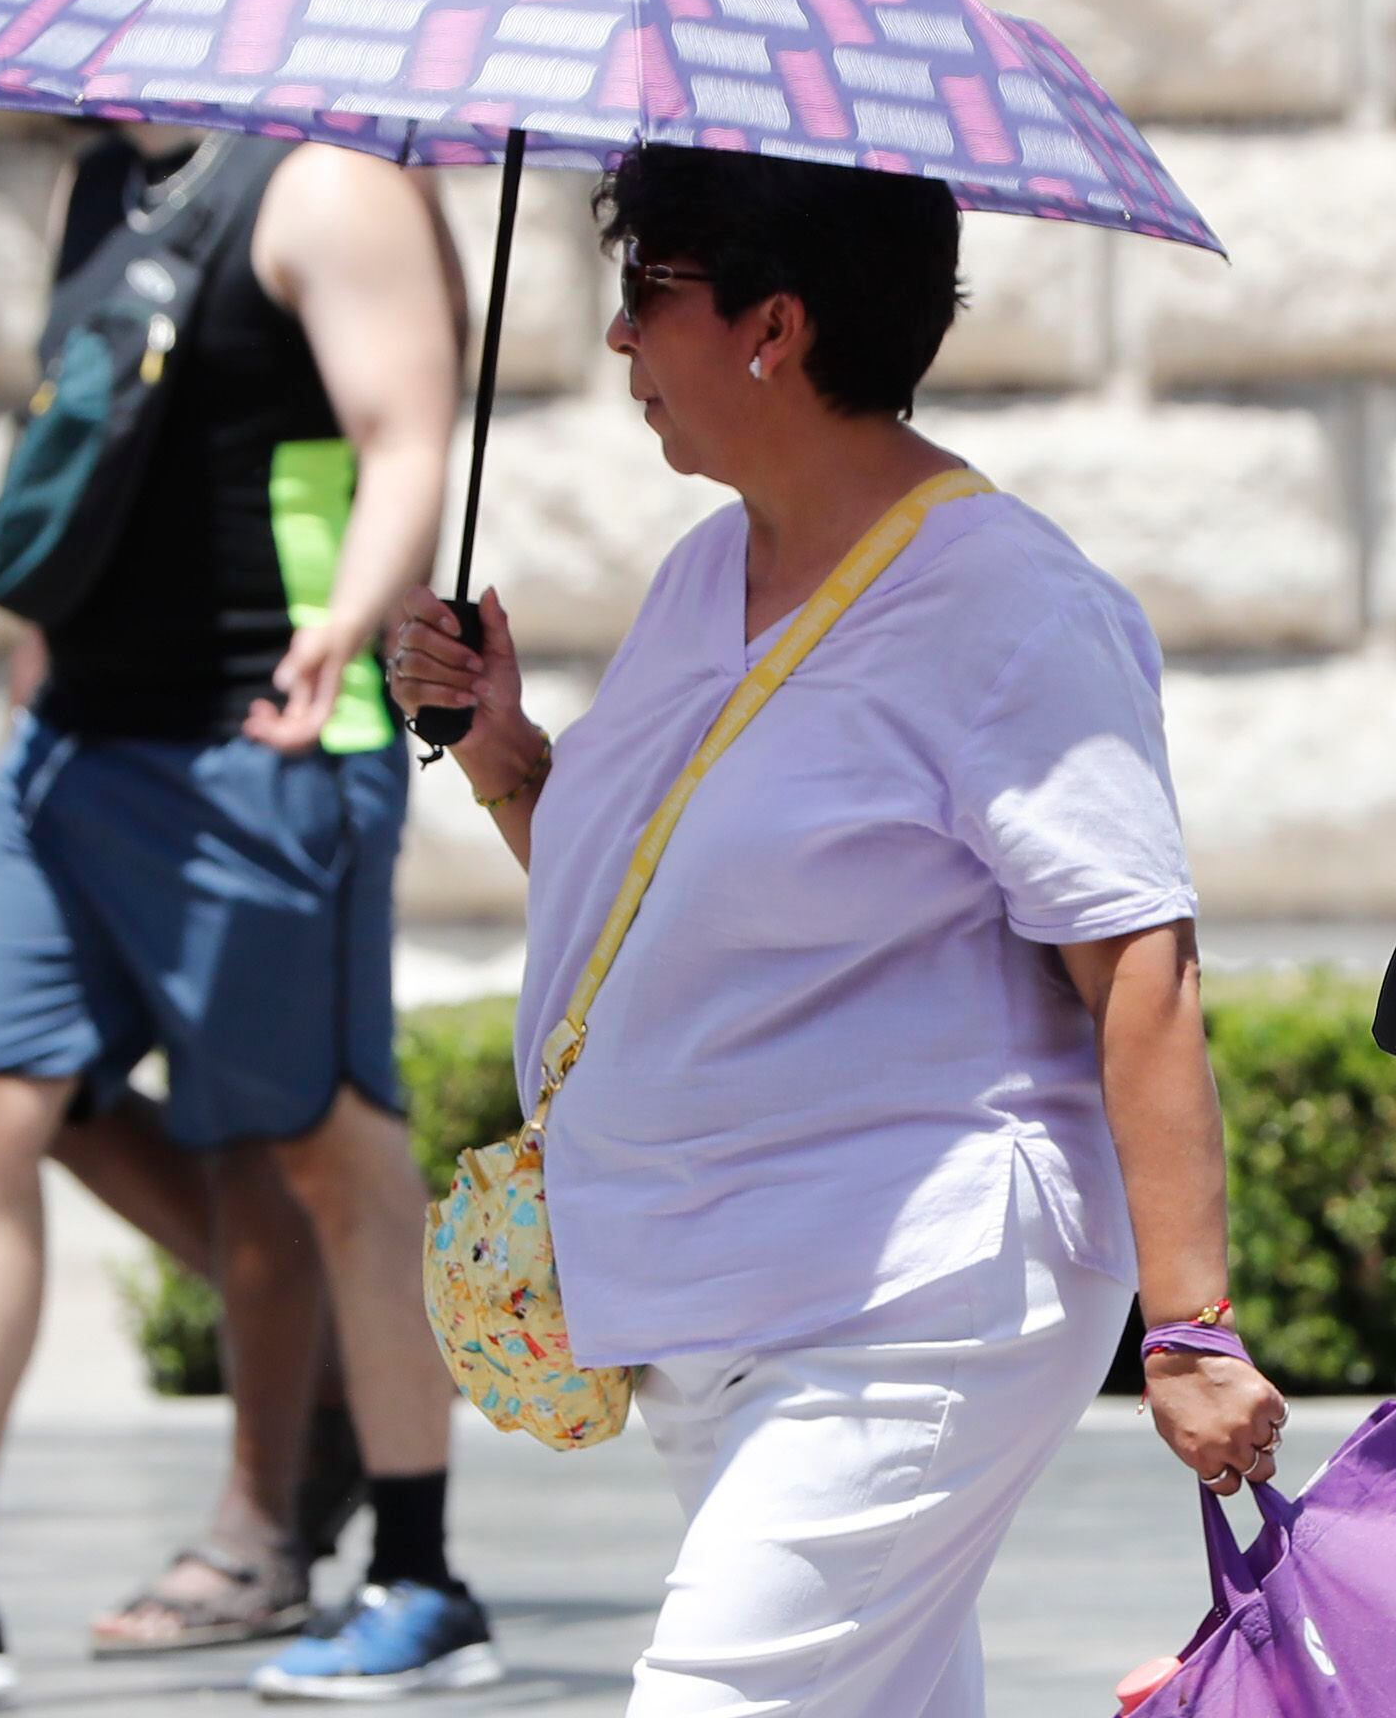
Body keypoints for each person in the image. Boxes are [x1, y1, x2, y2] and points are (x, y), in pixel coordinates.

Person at [385, 145, 1286, 1718]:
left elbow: (1139, 963)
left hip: (910, 1304)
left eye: (642, 294)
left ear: (772, 326)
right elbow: (643, 902)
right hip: (713, 1289)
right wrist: (495, 744)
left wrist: (1191, 1325)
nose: (617, 341)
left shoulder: (1011, 603)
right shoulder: (703, 574)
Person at [0, 115, 491, 1703]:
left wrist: (354, 615)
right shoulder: (105, 183)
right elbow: (74, 430)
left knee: (328, 1153)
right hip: (73, 741)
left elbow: (407, 434)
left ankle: (418, 1577)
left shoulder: (326, 183)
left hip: (259, 736)